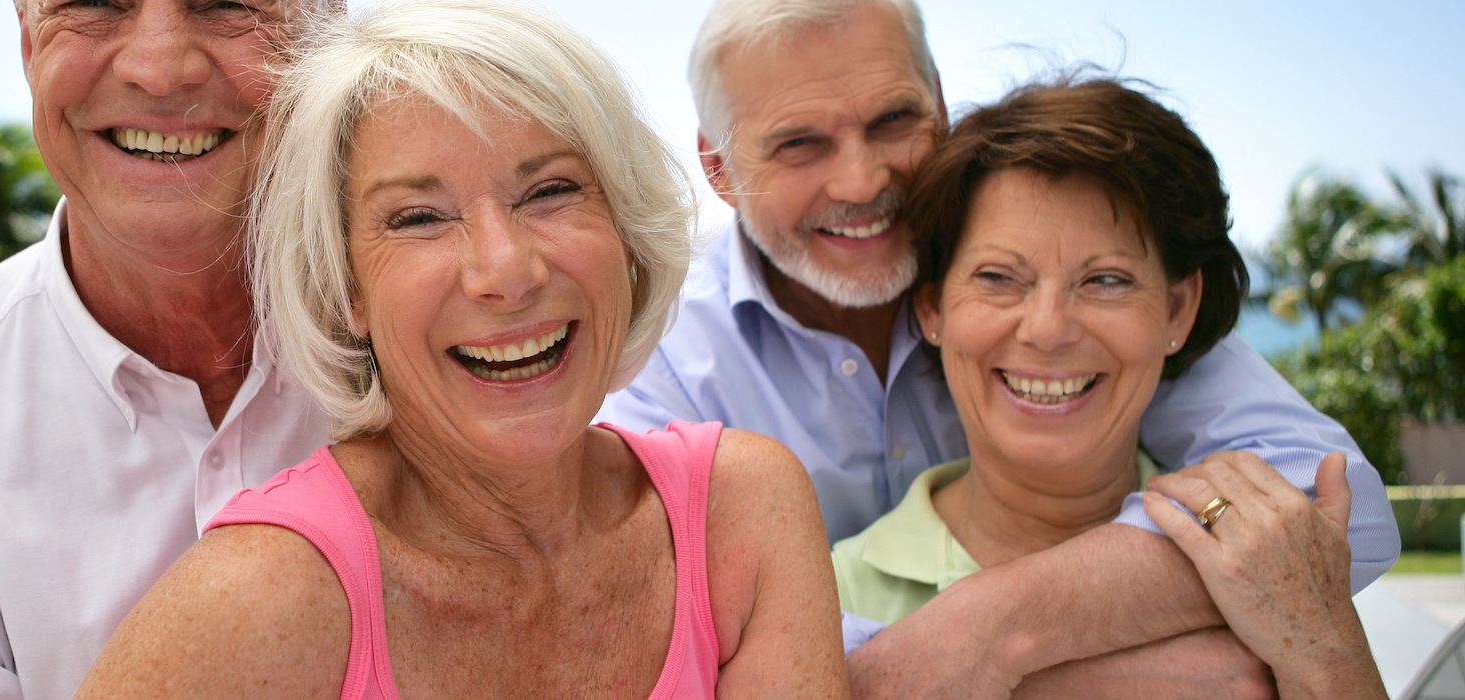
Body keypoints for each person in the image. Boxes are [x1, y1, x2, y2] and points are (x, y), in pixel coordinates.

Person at [592, 0, 1399, 694]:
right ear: (719, 168)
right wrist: (1085, 680)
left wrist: (1003, 623)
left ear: (938, 106)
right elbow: (663, 633)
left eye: (893, 121)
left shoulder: (1045, 255)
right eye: (799, 143)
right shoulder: (656, 357)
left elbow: (1332, 502)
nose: (861, 181)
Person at [74, 1, 848, 696]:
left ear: (627, 235)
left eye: (551, 192)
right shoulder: (260, 598)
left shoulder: (740, 513)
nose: (506, 271)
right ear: (346, 289)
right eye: (418, 218)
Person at [0, 1, 336, 696]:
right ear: (27, 41)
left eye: (225, 1)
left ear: (328, 28)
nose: (159, 70)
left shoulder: (458, 350)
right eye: (95, 3)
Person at [830, 77, 1387, 697]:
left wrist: (1325, 658)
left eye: (1107, 281)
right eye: (997, 277)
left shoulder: (1275, 555)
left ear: (1178, 311)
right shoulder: (829, 597)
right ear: (932, 311)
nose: (1046, 330)